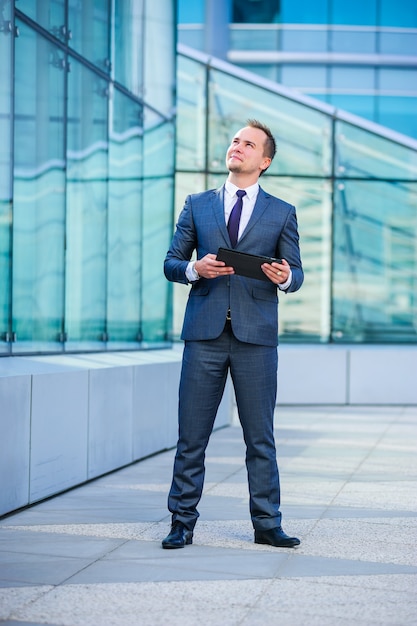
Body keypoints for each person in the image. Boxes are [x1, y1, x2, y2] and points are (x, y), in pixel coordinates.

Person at [162, 119, 303, 550]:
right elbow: (171, 262)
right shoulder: (197, 204)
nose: (237, 147)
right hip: (204, 334)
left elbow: (297, 274)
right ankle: (182, 522)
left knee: (260, 436)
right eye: (235, 141)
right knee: (192, 435)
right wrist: (194, 269)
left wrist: (284, 277)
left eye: (248, 144)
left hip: (256, 338)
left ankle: (267, 524)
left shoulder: (282, 212)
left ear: (265, 161)